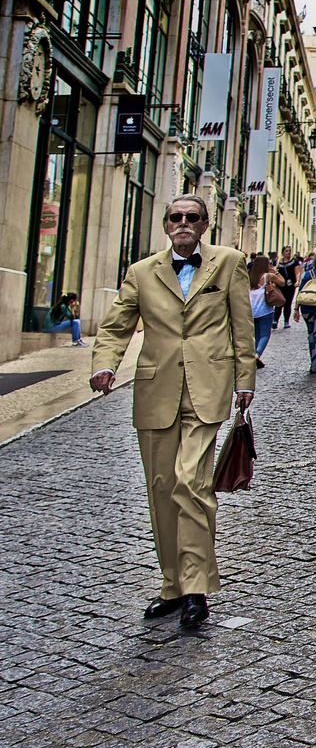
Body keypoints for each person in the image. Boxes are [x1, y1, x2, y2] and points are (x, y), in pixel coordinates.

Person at [87, 195, 256, 629]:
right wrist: (105, 363)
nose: (183, 223)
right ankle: (173, 587)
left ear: (205, 225)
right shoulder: (142, 272)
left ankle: (197, 588)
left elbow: (242, 324)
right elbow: (116, 324)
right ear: (165, 224)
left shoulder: (229, 262)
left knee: (191, 483)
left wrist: (245, 379)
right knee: (162, 489)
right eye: (175, 217)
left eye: (192, 218)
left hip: (207, 390)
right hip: (155, 390)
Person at [249, 256, 283, 367]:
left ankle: (254, 355)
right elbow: (283, 283)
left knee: (256, 335)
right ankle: (257, 355)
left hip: (252, 310)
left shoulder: (250, 277)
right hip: (265, 310)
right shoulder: (268, 276)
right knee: (265, 335)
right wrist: (276, 271)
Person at [274, 245, 300, 330]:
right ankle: (275, 320)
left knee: (287, 303)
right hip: (280, 285)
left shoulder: (294, 262)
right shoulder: (278, 262)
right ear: (283, 252)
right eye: (286, 251)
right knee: (279, 302)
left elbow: (297, 272)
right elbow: (274, 270)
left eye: (289, 251)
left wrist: (297, 281)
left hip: (290, 285)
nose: (288, 253)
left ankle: (286, 321)